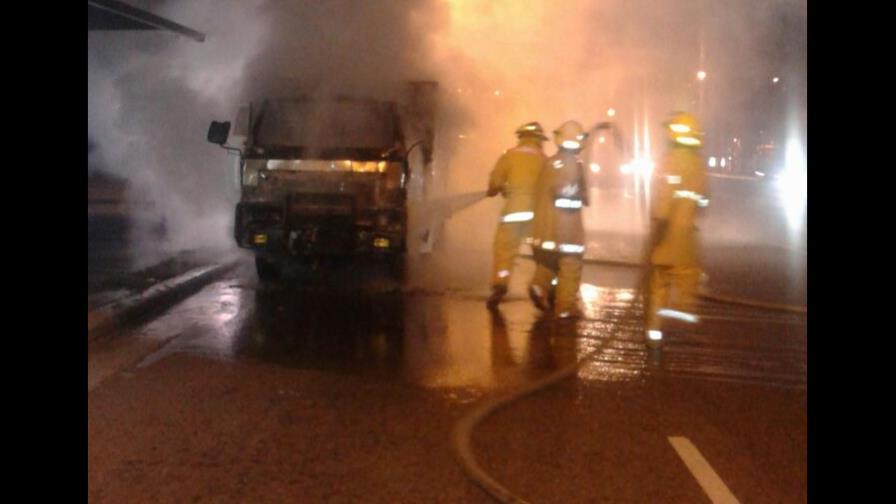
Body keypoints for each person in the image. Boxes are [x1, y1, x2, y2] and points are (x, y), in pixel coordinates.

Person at [643, 111, 709, 348]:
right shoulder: (699, 166)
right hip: (686, 238)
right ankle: (677, 320)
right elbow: (703, 202)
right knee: (685, 280)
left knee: (659, 283)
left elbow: (662, 198)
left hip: (665, 232)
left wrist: (657, 227)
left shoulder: (669, 160)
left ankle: (654, 334)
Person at [528, 120, 590, 319]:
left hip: (542, 231)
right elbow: (576, 195)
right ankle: (565, 308)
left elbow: (538, 192)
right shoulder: (575, 164)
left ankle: (539, 286)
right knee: (570, 267)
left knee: (548, 264)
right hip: (567, 233)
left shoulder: (549, 162)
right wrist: (581, 192)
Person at [486, 122, 548, 309]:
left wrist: (495, 189)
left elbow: (495, 182)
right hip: (536, 214)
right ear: (539, 140)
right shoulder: (544, 159)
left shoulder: (510, 155)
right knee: (541, 253)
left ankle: (501, 285)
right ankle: (539, 286)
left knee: (504, 250)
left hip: (513, 212)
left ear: (520, 137)